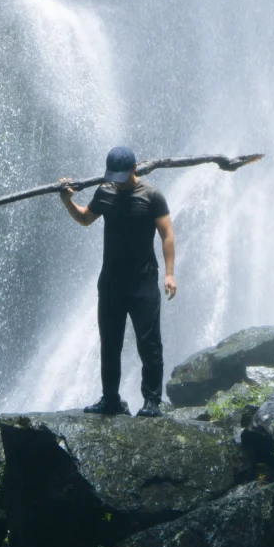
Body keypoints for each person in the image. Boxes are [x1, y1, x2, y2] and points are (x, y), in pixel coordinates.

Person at [59, 146, 176, 417]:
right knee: (109, 342)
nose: (117, 180)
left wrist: (169, 274)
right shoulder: (106, 191)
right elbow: (86, 218)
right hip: (111, 282)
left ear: (134, 169)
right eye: (114, 175)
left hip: (143, 281)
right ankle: (110, 398)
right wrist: (67, 202)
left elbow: (167, 234)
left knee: (149, 343)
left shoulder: (151, 195)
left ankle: (152, 402)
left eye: (122, 175)